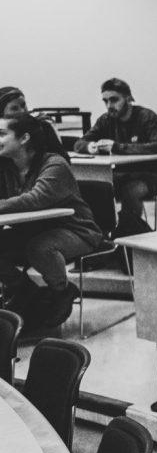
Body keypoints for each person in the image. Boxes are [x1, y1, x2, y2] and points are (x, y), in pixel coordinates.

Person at [0, 114, 103, 334]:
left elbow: (36, 199)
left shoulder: (54, 163)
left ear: (24, 138)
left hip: (76, 231)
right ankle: (25, 290)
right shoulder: (6, 167)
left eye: (2, 134)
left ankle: (61, 291)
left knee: (40, 247)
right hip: (31, 231)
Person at [73, 78, 157, 236]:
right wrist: (90, 147)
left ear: (128, 98)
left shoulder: (146, 117)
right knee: (94, 187)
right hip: (123, 173)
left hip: (154, 173)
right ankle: (101, 234)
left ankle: (131, 234)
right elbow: (79, 143)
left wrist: (117, 147)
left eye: (114, 100)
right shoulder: (106, 120)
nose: (109, 106)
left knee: (131, 190)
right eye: (105, 101)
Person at [0, 86, 67, 157]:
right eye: (14, 108)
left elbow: (62, 159)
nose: (22, 111)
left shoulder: (42, 127)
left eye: (23, 105)